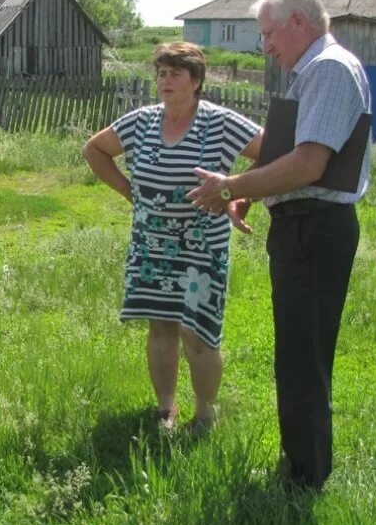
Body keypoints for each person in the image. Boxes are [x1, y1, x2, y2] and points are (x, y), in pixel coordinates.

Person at [188, 0, 371, 491]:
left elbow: (311, 164)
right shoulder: (311, 71)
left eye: (269, 33)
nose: (265, 45)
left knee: (303, 358)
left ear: (298, 23)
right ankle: (300, 465)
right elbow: (294, 160)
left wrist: (232, 186)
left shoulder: (329, 68)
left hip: (315, 228)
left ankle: (305, 479)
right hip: (301, 223)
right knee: (295, 352)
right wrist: (257, 194)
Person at [82, 42, 262, 432]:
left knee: (198, 332)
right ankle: (165, 410)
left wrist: (238, 193)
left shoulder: (220, 123)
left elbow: (273, 153)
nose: (165, 81)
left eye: (175, 73)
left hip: (201, 247)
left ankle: (204, 416)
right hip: (151, 246)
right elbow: (94, 150)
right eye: (161, 73)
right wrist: (132, 193)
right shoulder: (142, 122)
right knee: (160, 328)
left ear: (196, 81)